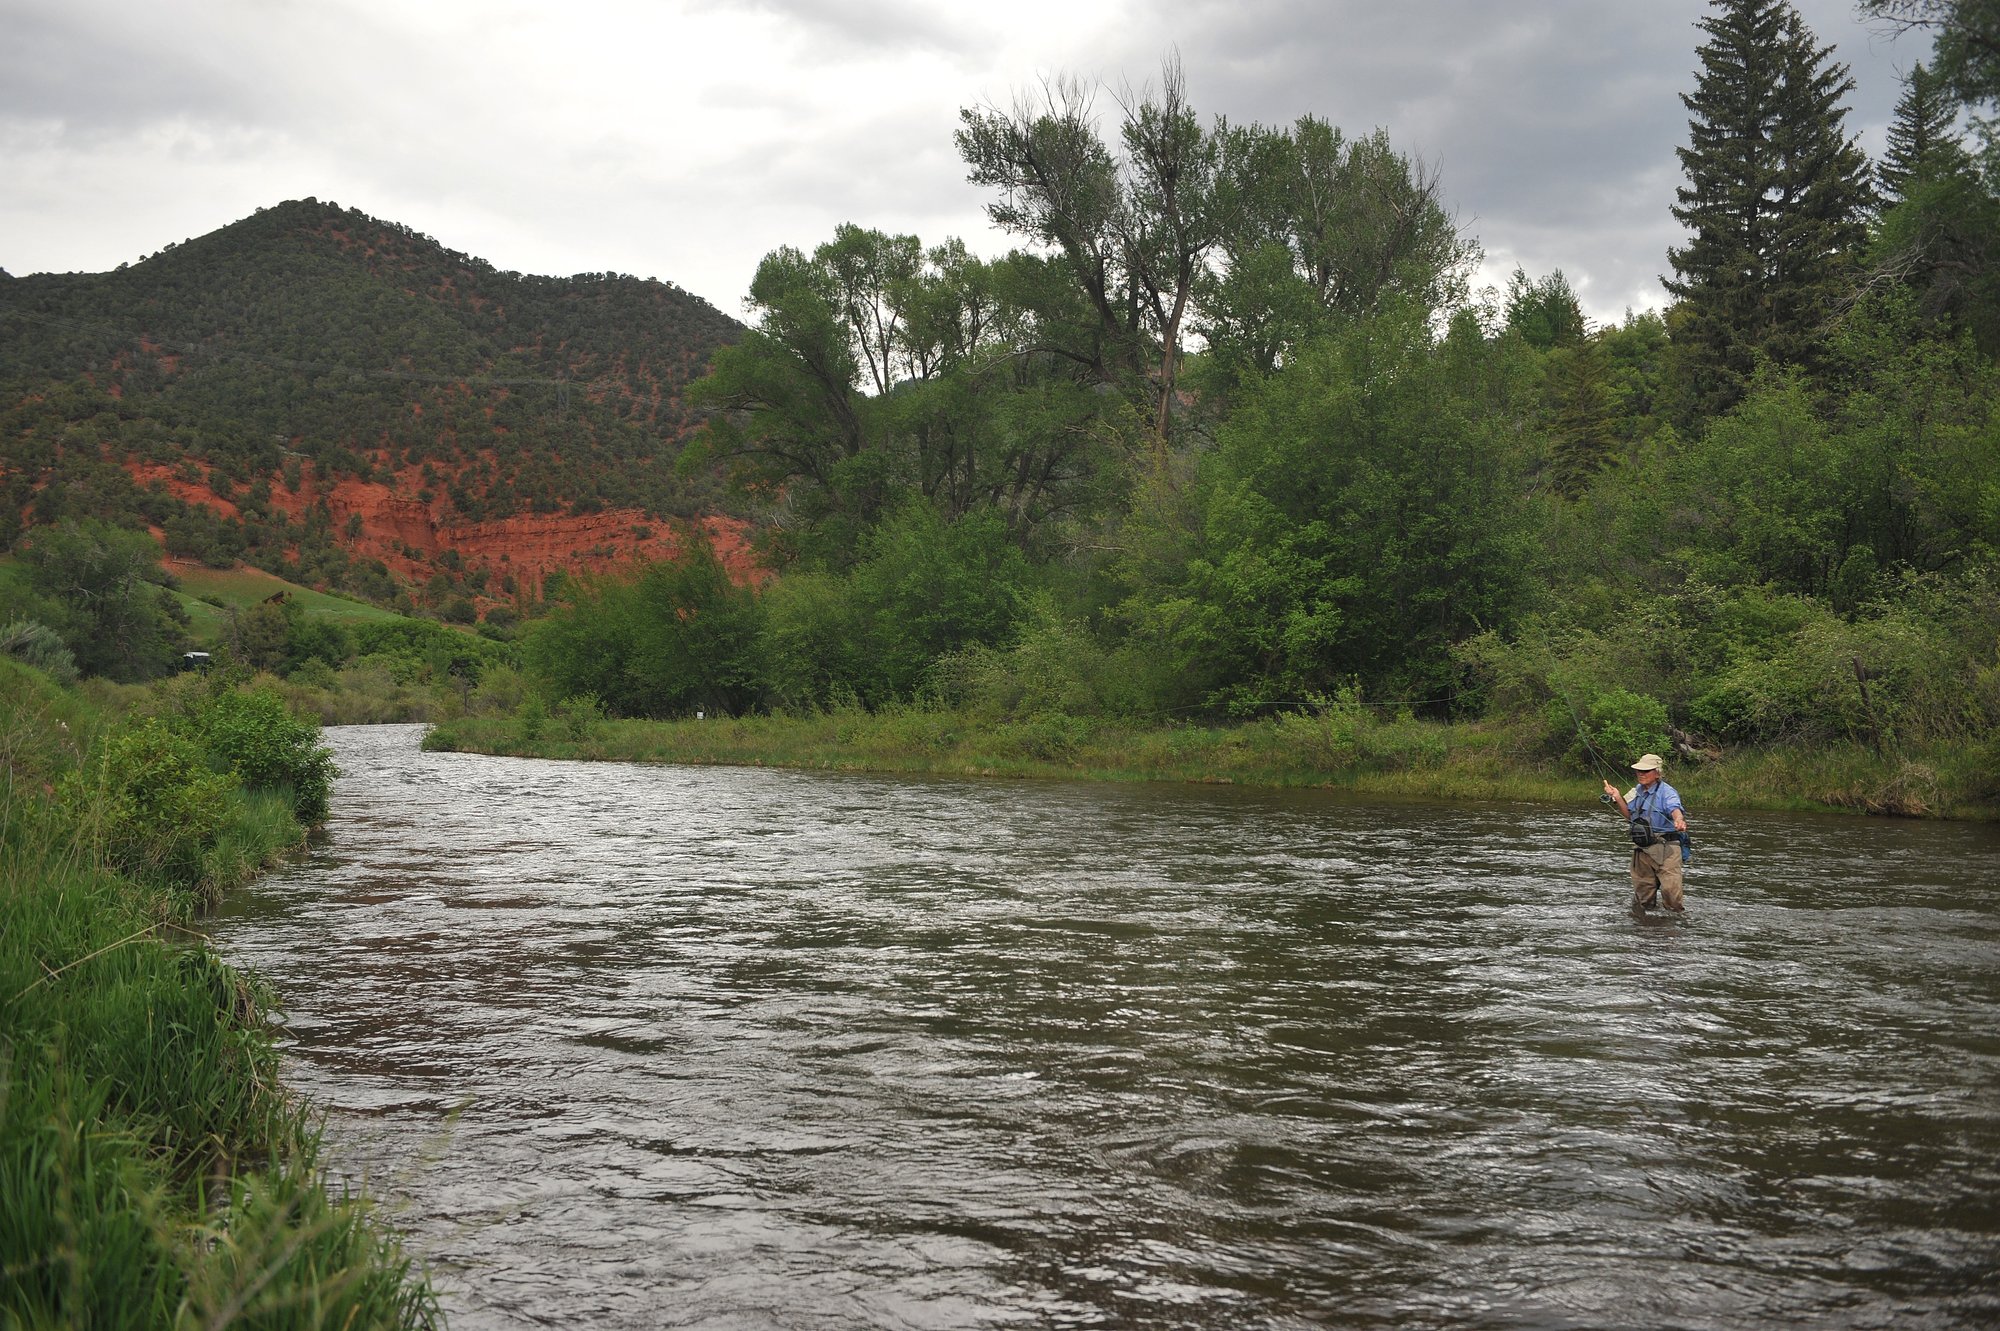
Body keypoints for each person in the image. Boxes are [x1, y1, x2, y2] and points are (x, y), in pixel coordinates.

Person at [1602, 753, 1688, 913]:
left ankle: (1676, 925)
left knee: (1671, 895)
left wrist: (1679, 820)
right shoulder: (1636, 790)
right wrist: (1617, 797)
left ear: (1657, 773)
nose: (1641, 774)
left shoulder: (1667, 792)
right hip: (1642, 850)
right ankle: (1644, 924)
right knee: (1643, 899)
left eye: (1646, 771)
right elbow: (1630, 817)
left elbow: (1675, 809)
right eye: (1639, 771)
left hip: (1666, 850)